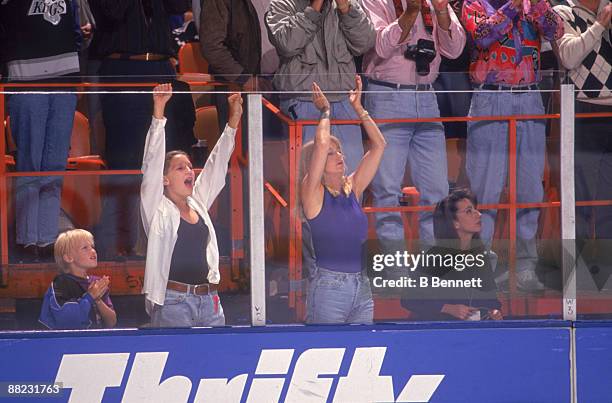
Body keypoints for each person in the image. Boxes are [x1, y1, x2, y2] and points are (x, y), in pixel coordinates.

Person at [461, 0, 563, 290]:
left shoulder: (534, 4)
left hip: (530, 96)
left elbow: (556, 30)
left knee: (530, 186)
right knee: (486, 189)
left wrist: (537, 6)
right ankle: (483, 269)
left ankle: (526, 266)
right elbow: (481, 35)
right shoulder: (474, 4)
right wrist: (512, 7)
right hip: (490, 98)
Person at [89, 0, 191, 260]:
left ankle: (165, 243)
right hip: (123, 70)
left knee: (164, 160)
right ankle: (112, 247)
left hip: (160, 68)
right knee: (124, 161)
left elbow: (179, 6)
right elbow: (112, 11)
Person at [361, 0, 466, 249]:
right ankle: (395, 266)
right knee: (387, 190)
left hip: (427, 97)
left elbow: (455, 49)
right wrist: (410, 12)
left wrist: (441, 10)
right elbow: (381, 46)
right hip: (387, 95)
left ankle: (434, 262)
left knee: (437, 190)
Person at [141, 84, 243, 327]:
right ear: (164, 179)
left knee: (215, 363)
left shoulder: (197, 203)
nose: (189, 171)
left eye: (189, 166)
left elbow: (217, 167)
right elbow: (152, 163)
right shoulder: (156, 209)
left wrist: (233, 122)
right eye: (180, 167)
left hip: (210, 301)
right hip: (173, 302)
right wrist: (158, 113)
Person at [300, 76, 386, 324]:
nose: (338, 154)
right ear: (315, 164)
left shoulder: (353, 188)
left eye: (338, 150)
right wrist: (325, 112)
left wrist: (359, 109)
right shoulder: (312, 192)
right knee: (325, 355)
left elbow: (379, 145)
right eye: (330, 153)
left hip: (362, 285)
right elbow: (321, 142)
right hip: (329, 287)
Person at [1, 0, 81, 262]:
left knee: (55, 165)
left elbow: (76, 30)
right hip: (26, 81)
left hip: (65, 83)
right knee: (30, 164)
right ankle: (27, 239)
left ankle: (47, 238)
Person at [266, 0, 376, 174]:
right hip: (304, 101)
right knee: (309, 173)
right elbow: (286, 43)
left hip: (344, 101)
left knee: (351, 171)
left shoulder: (347, 4)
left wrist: (346, 10)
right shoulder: (282, 4)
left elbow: (365, 43)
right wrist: (314, 8)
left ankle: (348, 203)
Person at [554, 0, 612, 271]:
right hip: (583, 111)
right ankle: (575, 266)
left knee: (608, 196)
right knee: (582, 194)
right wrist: (599, 25)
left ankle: (605, 263)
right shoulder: (563, 11)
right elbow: (568, 57)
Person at [401, 189, 502, 320]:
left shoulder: (480, 256)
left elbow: (490, 298)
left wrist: (494, 310)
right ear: (455, 223)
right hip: (436, 330)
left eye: (475, 210)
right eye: (469, 211)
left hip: (471, 330)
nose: (479, 214)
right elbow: (409, 299)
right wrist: (448, 308)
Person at [39, 229, 117, 329]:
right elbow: (67, 321)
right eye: (85, 248)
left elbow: (111, 323)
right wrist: (90, 297)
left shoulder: (96, 284)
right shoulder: (61, 283)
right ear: (68, 258)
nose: (93, 251)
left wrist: (98, 300)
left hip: (95, 341)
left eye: (92, 247)